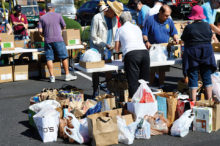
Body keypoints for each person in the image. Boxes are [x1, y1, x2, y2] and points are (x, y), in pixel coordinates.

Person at [181, 5, 217, 101]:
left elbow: (183, 38)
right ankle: (209, 101)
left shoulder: (189, 27)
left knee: (193, 76)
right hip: (206, 53)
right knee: (207, 76)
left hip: (193, 54)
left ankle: (193, 103)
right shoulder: (207, 26)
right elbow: (210, 37)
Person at [90, 0, 123, 97]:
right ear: (110, 10)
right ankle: (95, 91)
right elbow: (93, 36)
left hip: (109, 49)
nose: (115, 16)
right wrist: (104, 44)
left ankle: (109, 91)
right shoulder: (97, 18)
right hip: (97, 48)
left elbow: (115, 34)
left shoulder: (114, 19)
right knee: (95, 71)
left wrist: (113, 44)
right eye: (115, 13)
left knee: (109, 70)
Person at [38, 3, 77, 83]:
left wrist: (44, 35)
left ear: (46, 9)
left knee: (49, 58)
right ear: (53, 8)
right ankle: (67, 75)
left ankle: (52, 77)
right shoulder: (58, 15)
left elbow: (40, 31)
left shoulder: (42, 18)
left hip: (48, 40)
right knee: (64, 57)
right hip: (58, 39)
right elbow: (64, 27)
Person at [114, 11, 150, 98]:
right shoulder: (137, 28)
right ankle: (146, 103)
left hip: (132, 55)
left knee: (133, 83)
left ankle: (135, 105)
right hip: (145, 53)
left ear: (121, 22)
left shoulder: (119, 29)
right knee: (144, 82)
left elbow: (117, 48)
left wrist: (123, 54)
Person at [143, 5, 178, 88]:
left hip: (164, 49)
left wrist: (176, 38)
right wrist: (146, 41)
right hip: (153, 49)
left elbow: (174, 33)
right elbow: (144, 34)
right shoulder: (150, 19)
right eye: (166, 15)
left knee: (162, 69)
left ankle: (161, 85)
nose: (167, 17)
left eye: (168, 15)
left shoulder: (169, 21)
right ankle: (150, 86)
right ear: (160, 12)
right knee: (152, 69)